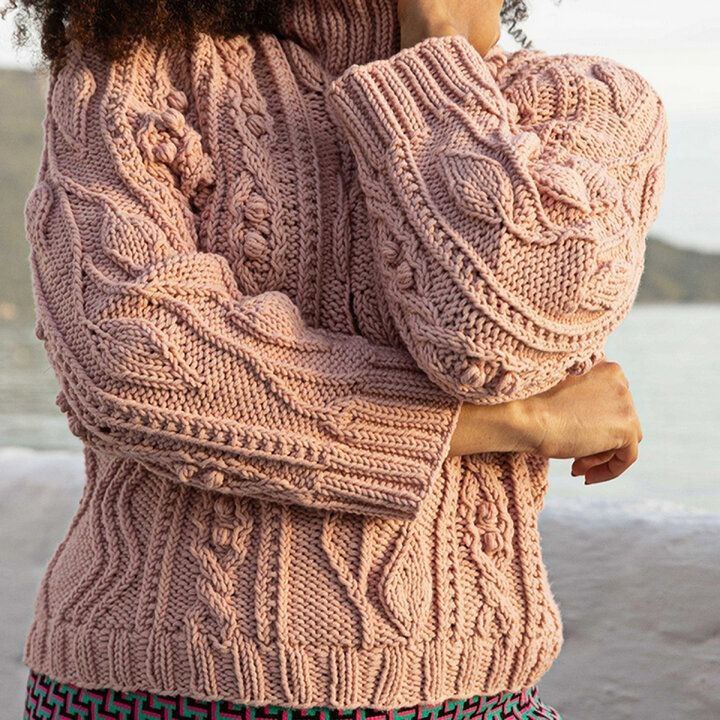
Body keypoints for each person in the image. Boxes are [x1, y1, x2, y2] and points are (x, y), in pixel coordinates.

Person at [9, 0, 666, 718]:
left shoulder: (594, 104)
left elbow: (494, 338)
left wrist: (434, 49)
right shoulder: (137, 63)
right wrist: (512, 422)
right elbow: (130, 365)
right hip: (153, 681)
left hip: (467, 691)